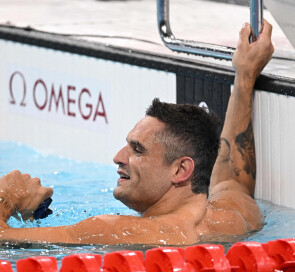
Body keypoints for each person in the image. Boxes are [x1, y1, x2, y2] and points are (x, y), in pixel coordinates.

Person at [0, 21, 274, 245]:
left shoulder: (115, 231)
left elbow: (3, 240)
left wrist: (7, 197)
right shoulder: (235, 217)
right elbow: (233, 178)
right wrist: (245, 76)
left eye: (137, 149)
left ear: (181, 171)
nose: (118, 157)